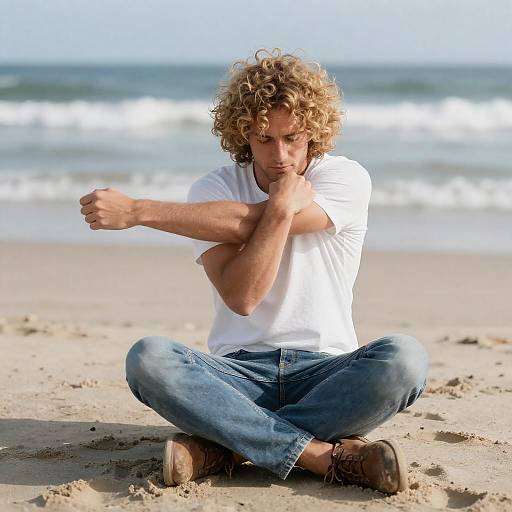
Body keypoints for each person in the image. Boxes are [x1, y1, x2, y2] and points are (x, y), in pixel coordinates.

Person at [79, 48, 429, 494]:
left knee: (406, 359)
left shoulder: (345, 178)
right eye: (264, 138)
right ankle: (319, 455)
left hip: (326, 373)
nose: (280, 155)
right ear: (243, 132)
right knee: (149, 359)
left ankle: (226, 445)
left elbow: (245, 222)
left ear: (315, 132)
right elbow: (243, 298)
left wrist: (138, 211)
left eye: (293, 138)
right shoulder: (214, 188)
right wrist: (282, 207)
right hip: (236, 376)